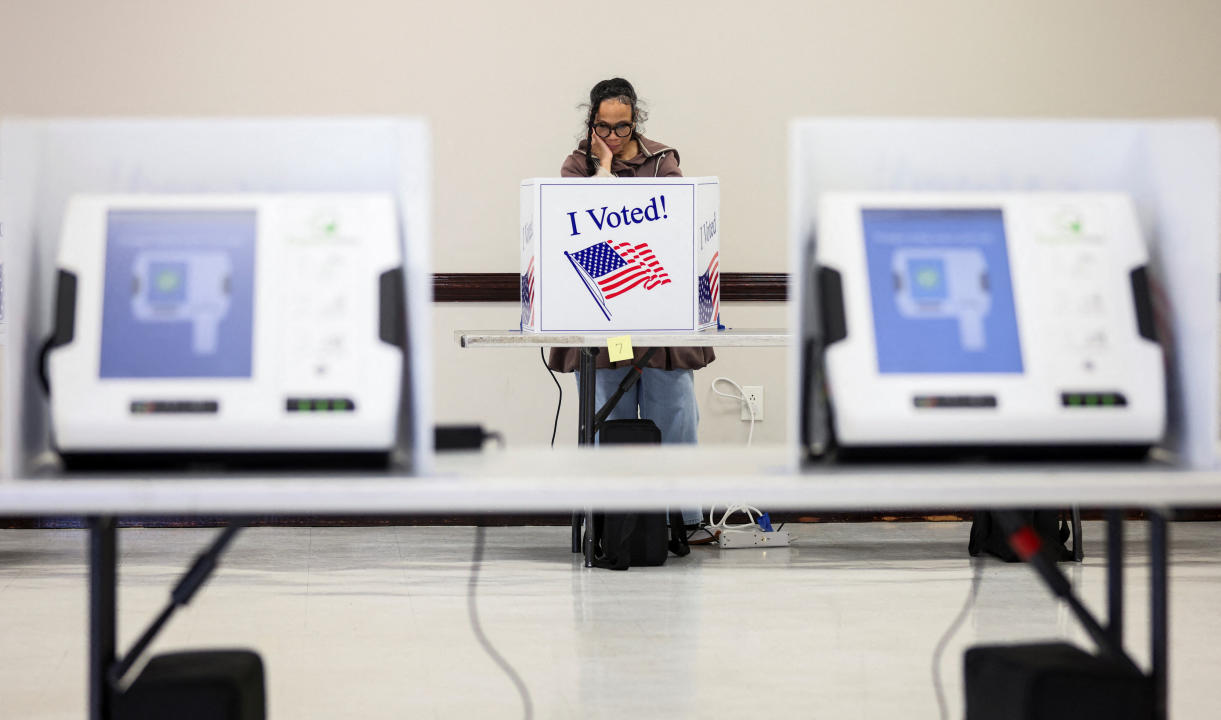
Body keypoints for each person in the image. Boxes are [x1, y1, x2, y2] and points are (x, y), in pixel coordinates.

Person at [548, 78, 713, 526]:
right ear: (591, 123)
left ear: (635, 120)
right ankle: (616, 521)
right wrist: (602, 168)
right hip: (605, 316)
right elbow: (583, 234)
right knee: (608, 420)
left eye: (622, 128)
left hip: (660, 310)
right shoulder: (575, 166)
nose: (614, 138)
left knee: (674, 415)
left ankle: (683, 520)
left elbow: (675, 228)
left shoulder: (663, 161)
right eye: (604, 128)